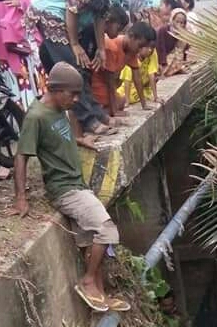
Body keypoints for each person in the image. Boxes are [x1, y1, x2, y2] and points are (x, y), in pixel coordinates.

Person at [13, 62, 130, 312]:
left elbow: (59, 137)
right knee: (107, 230)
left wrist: (79, 140)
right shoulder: (36, 117)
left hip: (77, 184)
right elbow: (21, 156)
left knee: (89, 240)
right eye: (72, 94)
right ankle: (87, 281)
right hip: (65, 189)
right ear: (56, 89)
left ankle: (100, 293)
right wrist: (21, 197)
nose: (76, 99)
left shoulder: (60, 109)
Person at [26, 0, 152, 136]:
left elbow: (100, 14)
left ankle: (98, 116)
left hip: (69, 21)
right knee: (73, 69)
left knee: (83, 69)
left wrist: (101, 48)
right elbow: (72, 9)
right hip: (51, 15)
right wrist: (75, 44)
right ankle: (90, 121)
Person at [91, 20, 155, 117]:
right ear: (132, 37)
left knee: (122, 101)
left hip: (108, 86)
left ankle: (103, 111)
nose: (140, 50)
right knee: (116, 105)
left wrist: (144, 104)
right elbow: (110, 82)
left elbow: (137, 78)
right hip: (97, 85)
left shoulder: (131, 51)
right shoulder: (112, 47)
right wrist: (115, 111)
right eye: (140, 46)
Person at [118, 37, 160, 106]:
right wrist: (127, 101)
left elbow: (151, 74)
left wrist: (156, 97)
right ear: (140, 48)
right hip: (129, 87)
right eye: (147, 48)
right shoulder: (131, 58)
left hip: (144, 88)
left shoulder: (152, 52)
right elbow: (127, 80)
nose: (150, 50)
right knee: (119, 97)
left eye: (152, 48)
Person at [157, 7, 188, 76]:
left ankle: (178, 68)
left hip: (177, 61)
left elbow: (185, 51)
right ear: (172, 20)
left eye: (182, 23)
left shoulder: (184, 34)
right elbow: (161, 48)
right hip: (165, 59)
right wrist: (163, 63)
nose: (179, 25)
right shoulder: (163, 30)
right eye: (177, 21)